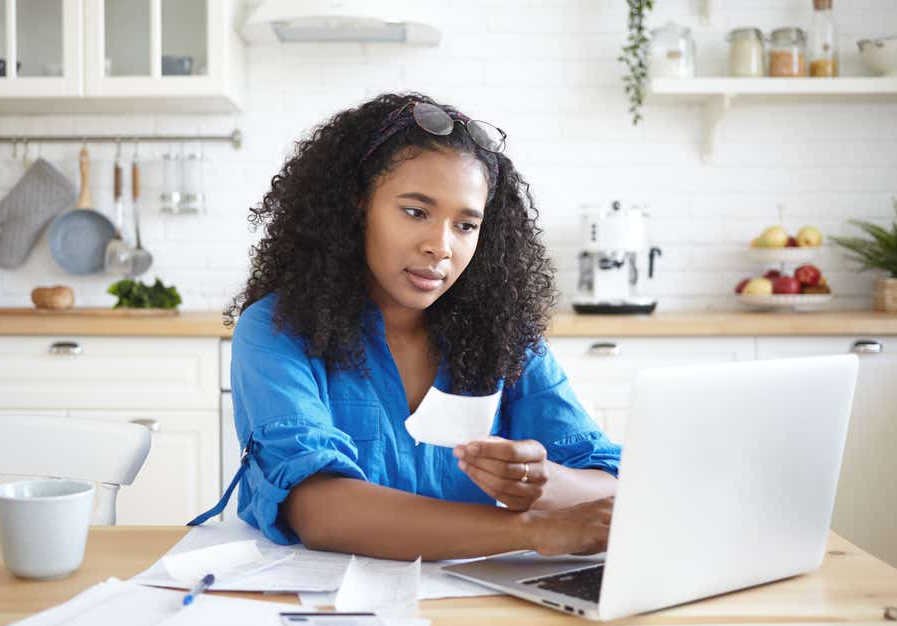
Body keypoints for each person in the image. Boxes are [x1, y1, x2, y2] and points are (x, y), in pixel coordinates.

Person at [209, 92, 620, 561]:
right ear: (356, 206)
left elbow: (612, 486)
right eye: (416, 212)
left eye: (465, 225)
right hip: (324, 611)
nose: (440, 246)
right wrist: (532, 528)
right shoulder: (276, 328)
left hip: (478, 608)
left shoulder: (503, 336)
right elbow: (318, 510)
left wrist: (545, 485)